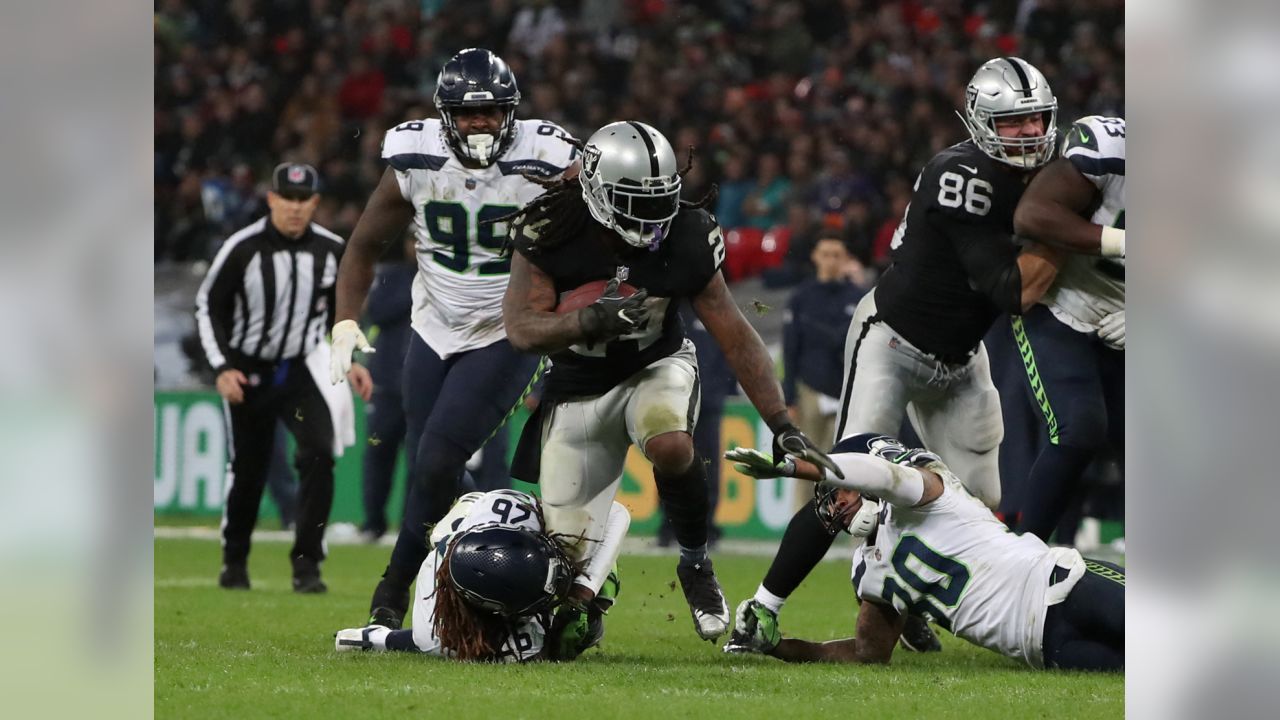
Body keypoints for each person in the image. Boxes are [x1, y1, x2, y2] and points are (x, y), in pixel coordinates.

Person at [729, 57, 1068, 653]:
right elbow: (1012, 292)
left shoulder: (1050, 177)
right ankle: (760, 611)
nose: (1031, 134)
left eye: (1038, 120)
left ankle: (900, 592)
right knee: (845, 487)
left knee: (979, 504)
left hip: (962, 361)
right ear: (982, 123)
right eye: (1014, 123)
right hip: (892, 340)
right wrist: (1075, 231)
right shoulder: (958, 174)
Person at [501, 120, 840, 642]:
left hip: (654, 364)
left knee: (672, 442)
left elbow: (735, 331)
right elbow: (521, 329)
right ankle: (595, 582)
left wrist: (780, 422)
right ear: (595, 189)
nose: (650, 213)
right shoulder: (550, 228)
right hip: (576, 386)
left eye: (658, 197)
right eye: (632, 198)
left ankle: (695, 561)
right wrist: (585, 322)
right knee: (563, 565)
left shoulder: (685, 232)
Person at [327, 48, 578, 628]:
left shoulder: (546, 158)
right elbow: (364, 245)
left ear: (511, 112)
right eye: (468, 114)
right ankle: (493, 540)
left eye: (492, 111)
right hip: (431, 325)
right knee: (431, 467)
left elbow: (587, 238)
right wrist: (345, 320)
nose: (481, 123)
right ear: (444, 117)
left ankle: (394, 587)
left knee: (438, 459)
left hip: (506, 327)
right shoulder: (416, 157)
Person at [722, 433, 1124, 671]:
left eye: (839, 490)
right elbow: (867, 654)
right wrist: (777, 647)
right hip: (1041, 646)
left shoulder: (928, 494)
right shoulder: (868, 569)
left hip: (1068, 585)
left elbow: (882, 474)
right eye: (830, 498)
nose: (836, 506)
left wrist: (797, 466)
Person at [195, 161, 372, 593]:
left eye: (303, 200)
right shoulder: (242, 248)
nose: (295, 209)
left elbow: (343, 310)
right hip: (247, 373)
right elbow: (208, 307)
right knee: (249, 470)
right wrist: (222, 368)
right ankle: (234, 561)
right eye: (286, 199)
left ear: (315, 203)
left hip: (296, 370)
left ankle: (307, 565)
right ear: (271, 199)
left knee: (318, 453)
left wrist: (348, 359)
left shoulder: (331, 250)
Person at [335, 489, 628, 662]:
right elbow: (417, 641)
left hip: (474, 514)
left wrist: (581, 591)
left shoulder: (520, 512)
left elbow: (616, 512)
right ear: (507, 613)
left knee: (590, 551)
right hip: (453, 573)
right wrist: (377, 639)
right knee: (569, 637)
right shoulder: (439, 632)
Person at [1010, 115, 1126, 540]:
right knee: (1078, 429)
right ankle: (1023, 558)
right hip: (1063, 308)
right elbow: (1033, 214)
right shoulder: (1111, 148)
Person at [782, 235, 868, 466]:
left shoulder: (858, 297)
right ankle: (805, 505)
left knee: (844, 463)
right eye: (826, 254)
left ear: (846, 259)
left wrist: (815, 328)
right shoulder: (801, 297)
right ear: (815, 257)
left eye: (837, 255)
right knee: (807, 464)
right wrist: (789, 396)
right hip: (810, 389)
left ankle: (835, 505)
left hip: (847, 391)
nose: (831, 261)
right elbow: (790, 348)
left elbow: (857, 345)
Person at [358, 237, 415, 542]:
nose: (416, 246)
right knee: (378, 451)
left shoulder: (447, 278)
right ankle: (373, 522)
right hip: (386, 384)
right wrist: (418, 292)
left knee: (419, 459)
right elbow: (376, 312)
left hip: (420, 385)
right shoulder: (392, 275)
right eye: (412, 239)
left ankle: (410, 525)